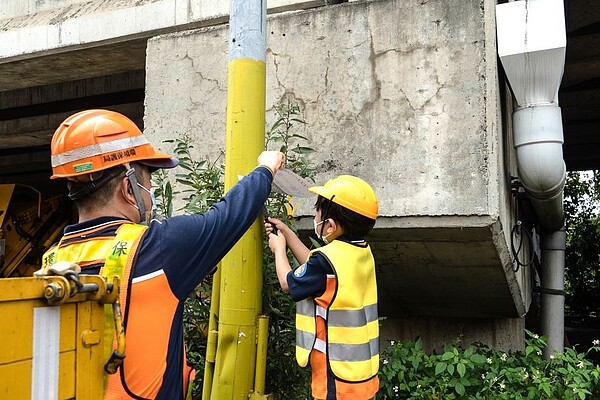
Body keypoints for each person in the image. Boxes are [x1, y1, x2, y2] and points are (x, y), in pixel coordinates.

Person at [41, 109, 285, 399]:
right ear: (128, 189)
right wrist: (266, 169)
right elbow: (228, 217)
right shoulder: (158, 246)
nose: (150, 193)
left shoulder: (53, 259)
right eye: (148, 183)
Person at [265, 175, 380, 400]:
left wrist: (279, 249)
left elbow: (289, 283)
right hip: (361, 376)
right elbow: (314, 267)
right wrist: (288, 235)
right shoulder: (360, 252)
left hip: (336, 378)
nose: (315, 216)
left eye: (318, 211)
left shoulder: (326, 261)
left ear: (330, 225)